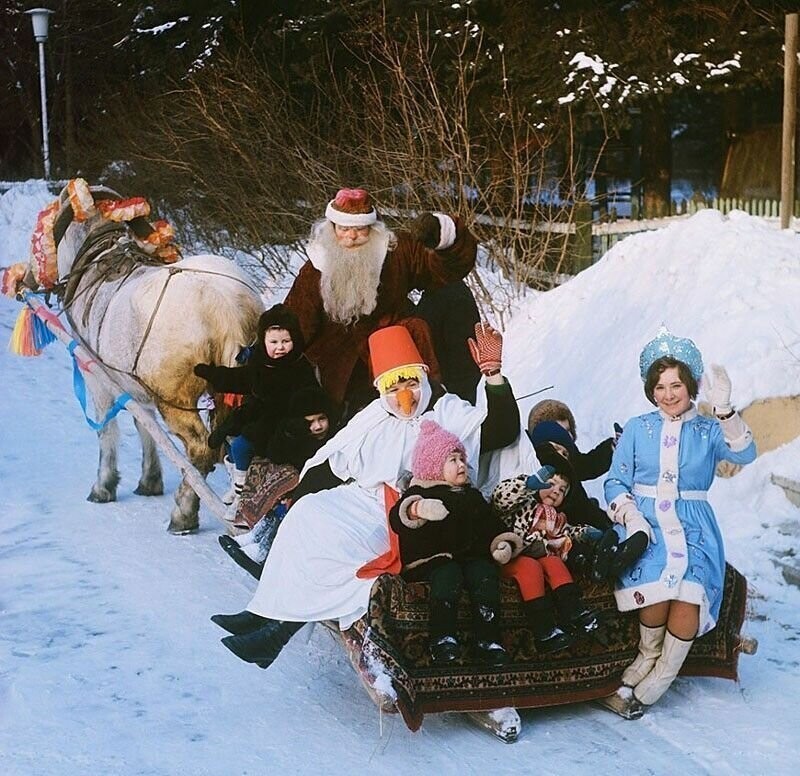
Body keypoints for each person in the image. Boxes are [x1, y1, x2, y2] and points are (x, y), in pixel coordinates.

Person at [210, 322, 533, 670]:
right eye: (394, 387)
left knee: (340, 548)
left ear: (422, 380)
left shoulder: (447, 412)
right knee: (306, 515)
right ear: (382, 390)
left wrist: (493, 375)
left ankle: (278, 633)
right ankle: (262, 612)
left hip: (413, 512)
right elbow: (335, 460)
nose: (404, 395)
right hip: (367, 497)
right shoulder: (375, 416)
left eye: (411, 383)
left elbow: (501, 430)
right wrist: (299, 495)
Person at [600, 328, 756, 719]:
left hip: (695, 526)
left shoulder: (707, 429)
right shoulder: (637, 427)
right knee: (656, 589)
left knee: (689, 590)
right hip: (648, 523)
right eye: (660, 386)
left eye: (677, 385)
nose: (669, 394)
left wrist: (725, 412)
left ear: (691, 386)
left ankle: (663, 673)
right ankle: (647, 654)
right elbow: (615, 480)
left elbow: (746, 454)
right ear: (650, 390)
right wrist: (631, 516)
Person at [283, 188, 478, 415]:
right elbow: (294, 323)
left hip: (400, 351)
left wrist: (441, 235)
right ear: (332, 229)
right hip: (342, 366)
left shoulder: (395, 251)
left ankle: (456, 402)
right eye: (344, 229)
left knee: (453, 292)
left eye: (360, 229)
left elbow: (446, 270)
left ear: (372, 229)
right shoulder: (316, 268)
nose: (351, 237)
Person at [388, 419, 513, 665]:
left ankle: (487, 639)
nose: (461, 465)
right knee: (448, 574)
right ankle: (442, 638)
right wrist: (418, 509)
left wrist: (502, 543)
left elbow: (491, 524)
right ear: (433, 466)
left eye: (462, 459)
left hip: (470, 557)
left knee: (485, 573)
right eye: (452, 460)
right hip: (432, 559)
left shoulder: (472, 495)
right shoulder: (421, 492)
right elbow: (398, 518)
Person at [193, 304, 319, 519]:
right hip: (259, 413)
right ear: (264, 341)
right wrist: (211, 374)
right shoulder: (261, 364)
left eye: (286, 341)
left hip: (283, 420)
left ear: (295, 340)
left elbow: (311, 397)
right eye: (274, 342)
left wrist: (302, 421)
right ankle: (237, 481)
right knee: (230, 441)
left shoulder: (300, 367)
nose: (280, 347)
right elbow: (239, 379)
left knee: (243, 445)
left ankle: (242, 498)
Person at [218, 385, 340, 576]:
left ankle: (265, 550)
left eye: (322, 419)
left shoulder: (335, 438)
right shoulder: (298, 436)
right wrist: (290, 435)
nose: (317, 426)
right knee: (278, 493)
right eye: (310, 421)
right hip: (303, 483)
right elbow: (278, 455)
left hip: (322, 490)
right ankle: (256, 536)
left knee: (290, 506)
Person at [491, 462, 602, 653]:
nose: (556, 491)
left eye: (562, 489)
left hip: (542, 553)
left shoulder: (557, 517)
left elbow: (566, 532)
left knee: (554, 561)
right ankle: (544, 630)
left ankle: (575, 613)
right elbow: (501, 498)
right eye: (551, 484)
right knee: (530, 567)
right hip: (513, 554)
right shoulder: (522, 504)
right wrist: (528, 484)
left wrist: (584, 532)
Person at [528, 420, 649, 580]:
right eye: (555, 448)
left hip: (575, 520)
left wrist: (613, 447)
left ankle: (613, 552)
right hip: (548, 532)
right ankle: (596, 559)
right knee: (575, 544)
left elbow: (590, 463)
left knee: (598, 526)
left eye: (565, 453)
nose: (560, 455)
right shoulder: (533, 469)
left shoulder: (570, 472)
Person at [415, 280, 482, 403]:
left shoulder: (450, 293)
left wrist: (447, 392)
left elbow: (464, 354)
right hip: (440, 387)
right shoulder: (431, 295)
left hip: (453, 390)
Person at [528, 398, 619, 481]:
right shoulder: (533, 468)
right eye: (562, 432)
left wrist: (611, 448)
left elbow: (586, 466)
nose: (569, 436)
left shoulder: (568, 452)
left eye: (569, 430)